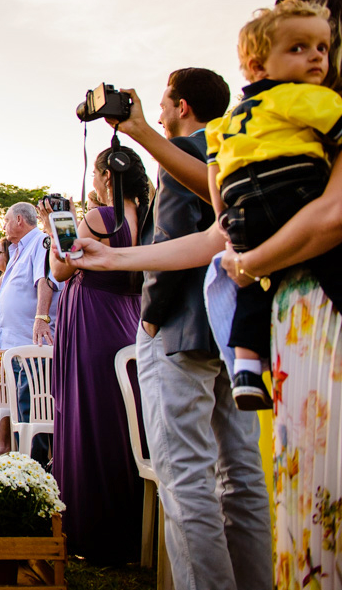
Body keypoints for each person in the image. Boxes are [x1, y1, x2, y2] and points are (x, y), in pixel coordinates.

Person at [109, 66, 270, 589]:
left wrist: (151, 320)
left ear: (181, 107)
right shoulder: (237, 149)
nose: (157, 113)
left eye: (163, 103)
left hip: (179, 333)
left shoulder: (183, 157)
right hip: (234, 334)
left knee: (186, 481)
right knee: (242, 478)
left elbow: (170, 250)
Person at [202, 0, 342, 408]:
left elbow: (216, 170)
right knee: (314, 255)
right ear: (260, 66)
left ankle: (246, 366)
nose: (317, 57)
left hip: (242, 209)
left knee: (257, 275)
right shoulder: (301, 97)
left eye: (322, 47)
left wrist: (225, 221)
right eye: (298, 48)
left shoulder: (228, 119)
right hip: (295, 191)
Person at [41, 147, 148, 565]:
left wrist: (57, 229)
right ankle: (133, 525)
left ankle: (93, 531)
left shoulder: (101, 218)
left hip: (90, 317)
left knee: (87, 416)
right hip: (129, 317)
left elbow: (64, 269)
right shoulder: (148, 215)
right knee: (123, 421)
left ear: (105, 175)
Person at [0, 202, 62, 463]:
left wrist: (41, 318)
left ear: (18, 220)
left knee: (32, 412)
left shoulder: (39, 242)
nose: (2, 226)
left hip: (32, 344)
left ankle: (33, 470)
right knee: (21, 411)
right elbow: (9, 295)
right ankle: (23, 465)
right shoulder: (16, 251)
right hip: (13, 344)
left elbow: (44, 281)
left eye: (4, 219)